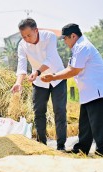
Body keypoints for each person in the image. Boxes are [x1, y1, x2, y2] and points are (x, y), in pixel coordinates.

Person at [41, 24, 103, 156]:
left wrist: (54, 77)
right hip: (88, 93)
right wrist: (54, 76)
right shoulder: (78, 48)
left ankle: (101, 152)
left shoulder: (82, 47)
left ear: (73, 36)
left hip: (96, 93)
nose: (64, 41)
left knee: (98, 126)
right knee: (85, 125)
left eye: (65, 38)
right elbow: (70, 67)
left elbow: (73, 70)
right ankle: (81, 150)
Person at [11, 18, 67, 150]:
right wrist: (18, 82)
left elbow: (51, 58)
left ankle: (61, 146)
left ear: (36, 30)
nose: (26, 39)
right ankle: (42, 145)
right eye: (23, 36)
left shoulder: (49, 36)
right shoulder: (22, 45)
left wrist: (37, 71)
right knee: (39, 112)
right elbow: (22, 65)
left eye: (29, 35)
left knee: (59, 111)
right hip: (39, 82)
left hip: (57, 77)